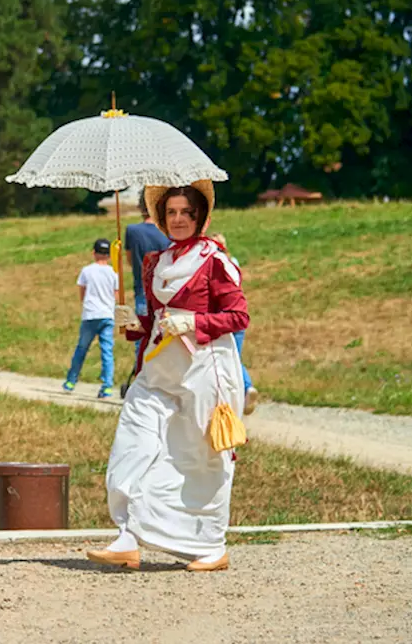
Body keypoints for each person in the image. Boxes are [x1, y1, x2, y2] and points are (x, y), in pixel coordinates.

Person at [89, 181, 247, 573]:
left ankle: (211, 545)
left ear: (200, 217)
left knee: (200, 458)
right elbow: (156, 321)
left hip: (204, 371)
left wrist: (194, 321)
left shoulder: (215, 261)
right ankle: (128, 536)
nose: (177, 220)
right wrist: (136, 323)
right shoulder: (155, 262)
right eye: (171, 212)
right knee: (134, 440)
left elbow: (238, 316)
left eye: (185, 213)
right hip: (158, 369)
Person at [211, 232, 258, 415]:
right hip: (238, 315)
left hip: (222, 318)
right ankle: (246, 388)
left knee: (226, 360)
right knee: (235, 357)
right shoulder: (233, 262)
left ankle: (240, 393)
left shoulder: (213, 264)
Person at [65, 238, 117, 399]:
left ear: (93, 253)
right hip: (107, 315)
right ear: (109, 255)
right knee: (107, 351)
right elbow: (115, 295)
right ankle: (107, 385)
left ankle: (71, 380)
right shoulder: (114, 273)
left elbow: (82, 291)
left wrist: (87, 303)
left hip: (91, 314)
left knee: (82, 348)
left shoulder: (87, 271)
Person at [124, 192, 170, 318]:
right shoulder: (168, 231)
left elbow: (130, 260)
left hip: (142, 289)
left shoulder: (132, 231)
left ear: (140, 208)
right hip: (165, 291)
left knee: (143, 333)